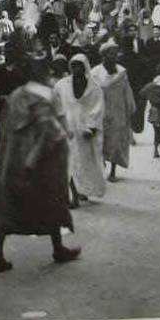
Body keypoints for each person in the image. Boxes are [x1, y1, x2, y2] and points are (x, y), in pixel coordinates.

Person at [0, 38, 81, 273]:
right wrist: (34, 159)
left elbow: (7, 126)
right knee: (52, 202)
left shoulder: (17, 95)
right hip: (38, 161)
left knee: (8, 206)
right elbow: (49, 132)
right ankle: (57, 248)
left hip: (12, 159)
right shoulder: (46, 95)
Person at [54, 53, 106, 206]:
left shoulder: (94, 87)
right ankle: (74, 197)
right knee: (68, 161)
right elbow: (54, 102)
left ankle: (82, 189)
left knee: (84, 162)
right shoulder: (62, 85)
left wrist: (91, 128)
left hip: (85, 130)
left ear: (85, 67)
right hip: (67, 128)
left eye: (79, 66)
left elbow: (98, 108)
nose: (76, 69)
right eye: (73, 65)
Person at [91, 40, 135, 182]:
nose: (115, 56)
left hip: (118, 110)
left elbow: (127, 91)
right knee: (101, 140)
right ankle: (101, 164)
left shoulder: (122, 72)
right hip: (100, 111)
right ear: (104, 55)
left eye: (116, 53)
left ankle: (113, 171)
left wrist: (130, 107)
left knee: (116, 141)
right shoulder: (95, 73)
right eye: (112, 54)